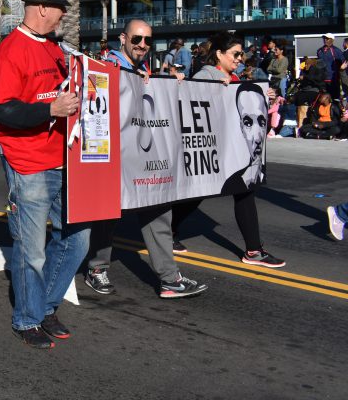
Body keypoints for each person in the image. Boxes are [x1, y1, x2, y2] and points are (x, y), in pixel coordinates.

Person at [0, 0, 88, 349]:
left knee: (77, 238)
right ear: (42, 7)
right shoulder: (11, 50)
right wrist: (50, 109)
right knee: (31, 248)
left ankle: (44, 305)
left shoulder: (56, 49)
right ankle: (27, 319)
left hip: (63, 159)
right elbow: (1, 107)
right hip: (26, 160)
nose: (64, 15)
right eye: (61, 8)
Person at [85, 19, 205, 299]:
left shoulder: (145, 70)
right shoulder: (107, 67)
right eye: (137, 39)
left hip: (144, 155)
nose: (142, 45)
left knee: (158, 210)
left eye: (148, 41)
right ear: (123, 38)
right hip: (114, 155)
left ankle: (169, 278)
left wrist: (171, 86)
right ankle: (97, 267)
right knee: (108, 213)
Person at [171, 32, 286, 268]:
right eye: (235, 54)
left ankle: (253, 250)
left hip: (231, 147)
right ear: (219, 54)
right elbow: (195, 103)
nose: (240, 58)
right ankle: (166, 231)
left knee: (243, 190)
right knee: (197, 193)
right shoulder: (207, 74)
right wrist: (215, 90)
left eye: (241, 54)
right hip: (214, 147)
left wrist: (266, 96)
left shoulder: (232, 76)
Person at [316, 33, 344, 101]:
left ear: (332, 40)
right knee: (323, 99)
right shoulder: (319, 51)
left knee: (334, 99)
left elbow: (342, 63)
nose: (325, 40)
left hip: (333, 79)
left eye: (327, 38)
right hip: (322, 79)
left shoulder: (336, 50)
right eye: (324, 38)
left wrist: (340, 71)